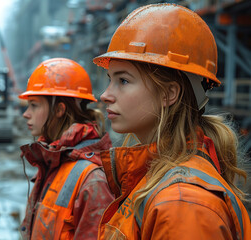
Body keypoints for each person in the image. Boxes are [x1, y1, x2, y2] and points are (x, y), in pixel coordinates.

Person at [93, 3, 251, 239]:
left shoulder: (183, 203)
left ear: (169, 94)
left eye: (123, 81)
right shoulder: (161, 180)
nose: (105, 95)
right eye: (110, 79)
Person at [18, 58, 115, 239]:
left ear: (59, 109)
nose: (26, 114)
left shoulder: (93, 180)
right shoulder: (53, 160)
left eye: (34, 105)